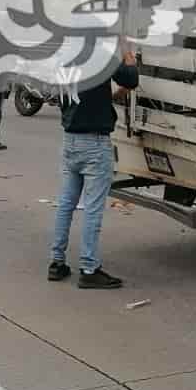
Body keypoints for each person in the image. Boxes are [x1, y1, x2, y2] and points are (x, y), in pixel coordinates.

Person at [47, 48, 138, 290]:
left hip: (70, 139)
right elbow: (131, 79)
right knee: (93, 209)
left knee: (66, 204)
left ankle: (57, 262)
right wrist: (128, 56)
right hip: (95, 143)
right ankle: (89, 267)